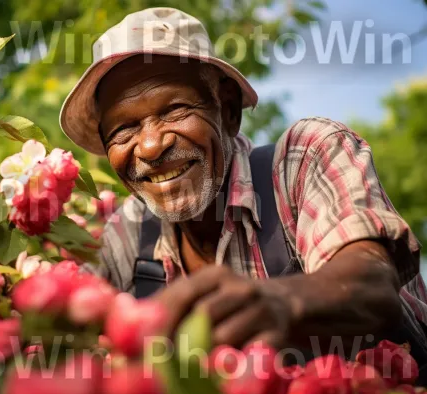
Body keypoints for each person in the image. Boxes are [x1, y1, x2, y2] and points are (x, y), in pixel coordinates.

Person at [59, 7, 427, 364]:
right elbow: (68, 327)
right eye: (124, 130)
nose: (151, 146)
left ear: (229, 111)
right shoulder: (129, 233)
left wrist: (282, 303)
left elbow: (372, 282)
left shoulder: (301, 163)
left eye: (175, 110)